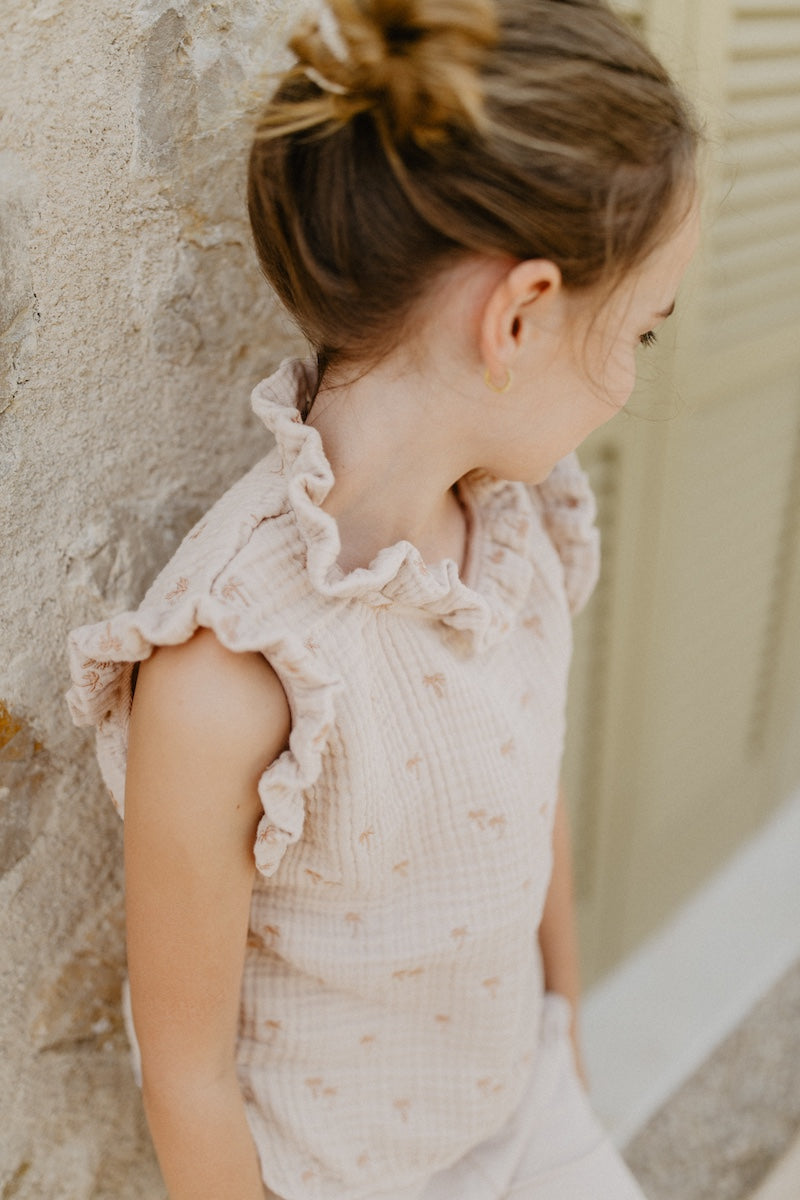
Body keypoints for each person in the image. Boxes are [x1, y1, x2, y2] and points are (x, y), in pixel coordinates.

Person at [67, 0, 701, 1197]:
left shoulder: (518, 530)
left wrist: (562, 1030)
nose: (630, 381)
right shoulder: (235, 670)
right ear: (516, 316)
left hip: (528, 1108)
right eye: (642, 333)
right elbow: (186, 1077)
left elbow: (530, 794)